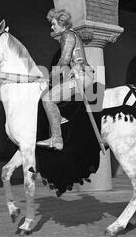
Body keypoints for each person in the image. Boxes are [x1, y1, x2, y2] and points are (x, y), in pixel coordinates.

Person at [37, 8, 94, 150]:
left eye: (54, 24)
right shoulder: (70, 34)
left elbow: (64, 60)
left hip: (82, 75)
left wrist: (50, 77)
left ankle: (56, 139)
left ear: (62, 23)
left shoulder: (66, 35)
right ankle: (59, 118)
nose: (52, 27)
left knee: (48, 99)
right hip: (82, 74)